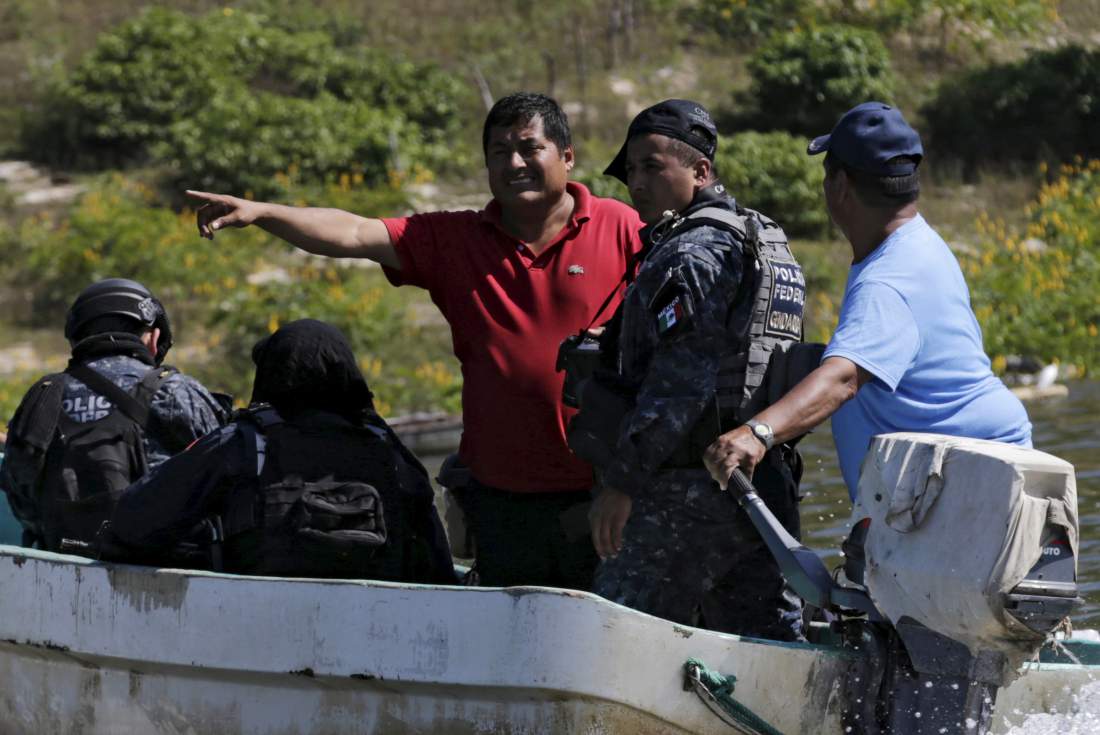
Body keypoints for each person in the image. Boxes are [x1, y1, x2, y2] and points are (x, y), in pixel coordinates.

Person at [186, 93, 644, 589]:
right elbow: (355, 233)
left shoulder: (624, 228)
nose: (514, 163)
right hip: (501, 499)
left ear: (567, 156)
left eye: (530, 148)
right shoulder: (457, 239)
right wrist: (262, 211)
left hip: (605, 493)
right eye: (499, 152)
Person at [704, 102, 1033, 501]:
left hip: (973, 482)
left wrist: (757, 432)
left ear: (839, 185)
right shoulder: (918, 242)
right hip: (969, 470)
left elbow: (843, 379)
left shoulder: (888, 279)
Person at [569, 100, 805, 640]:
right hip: (762, 484)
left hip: (689, 488)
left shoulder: (692, 253)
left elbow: (681, 384)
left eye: (653, 167)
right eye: (630, 170)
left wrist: (622, 483)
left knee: (611, 636)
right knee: (766, 648)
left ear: (700, 171)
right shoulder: (761, 236)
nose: (637, 182)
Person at [107, 319, 457, 584]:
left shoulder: (243, 442)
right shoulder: (388, 449)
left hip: (254, 626)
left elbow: (134, 521)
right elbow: (437, 564)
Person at [0, 278, 228, 550]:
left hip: (58, 570)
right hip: (165, 575)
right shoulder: (175, 391)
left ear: (76, 338)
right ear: (154, 338)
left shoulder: (43, 395)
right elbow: (227, 477)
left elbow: (19, 491)